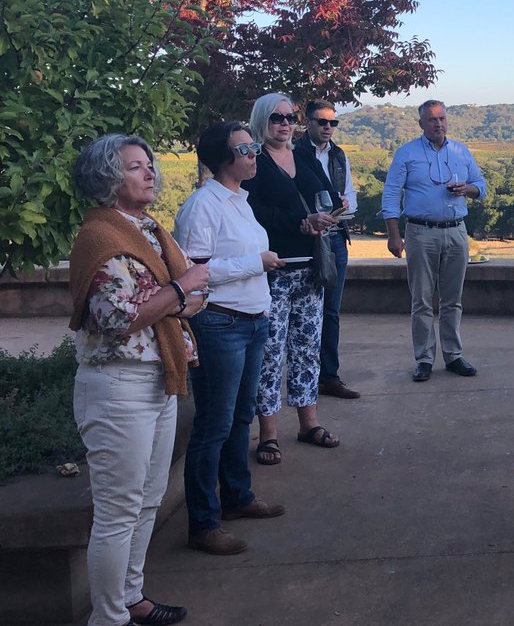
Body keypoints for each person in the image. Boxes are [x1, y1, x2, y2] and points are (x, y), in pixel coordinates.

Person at [68, 133, 207, 626]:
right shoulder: (101, 238)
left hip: (158, 380)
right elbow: (118, 318)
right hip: (118, 385)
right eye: (135, 167)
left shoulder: (149, 229)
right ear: (109, 177)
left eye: (149, 164)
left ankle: (132, 597)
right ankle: (108, 618)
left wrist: (178, 294)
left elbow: (196, 297)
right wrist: (177, 290)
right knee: (117, 511)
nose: (150, 172)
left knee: (147, 502)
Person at [174, 122, 287, 556]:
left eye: (254, 146)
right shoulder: (203, 206)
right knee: (214, 426)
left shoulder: (241, 201)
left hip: (252, 321)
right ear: (223, 157)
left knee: (241, 417)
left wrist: (256, 266)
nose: (256, 153)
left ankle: (237, 497)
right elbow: (192, 274)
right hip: (220, 324)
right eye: (247, 148)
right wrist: (254, 262)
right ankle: (203, 523)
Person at [244, 93, 342, 465]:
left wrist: (326, 214)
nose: (284, 124)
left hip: (309, 267)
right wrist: (298, 222)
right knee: (271, 353)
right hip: (275, 268)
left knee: (306, 348)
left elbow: (328, 194)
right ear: (261, 121)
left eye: (290, 117)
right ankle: (268, 434)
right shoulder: (255, 160)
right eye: (276, 118)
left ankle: (308, 423)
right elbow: (251, 209)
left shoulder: (302, 155)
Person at [382, 99, 487, 382]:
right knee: (422, 300)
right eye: (432, 120)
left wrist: (468, 189)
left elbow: (482, 186)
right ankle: (424, 359)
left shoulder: (460, 151)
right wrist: (394, 234)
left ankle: (453, 356)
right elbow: (391, 195)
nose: (438, 123)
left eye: (442, 118)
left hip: (456, 231)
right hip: (420, 233)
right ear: (421, 124)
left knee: (453, 300)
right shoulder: (406, 154)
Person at [295, 100, 360, 400]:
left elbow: (350, 199)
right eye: (322, 122)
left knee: (331, 311)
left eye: (333, 123)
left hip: (334, 237)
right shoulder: (295, 154)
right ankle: (303, 377)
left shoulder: (338, 155)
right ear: (307, 122)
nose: (328, 128)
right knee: (305, 312)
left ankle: (328, 377)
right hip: (306, 238)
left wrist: (343, 206)